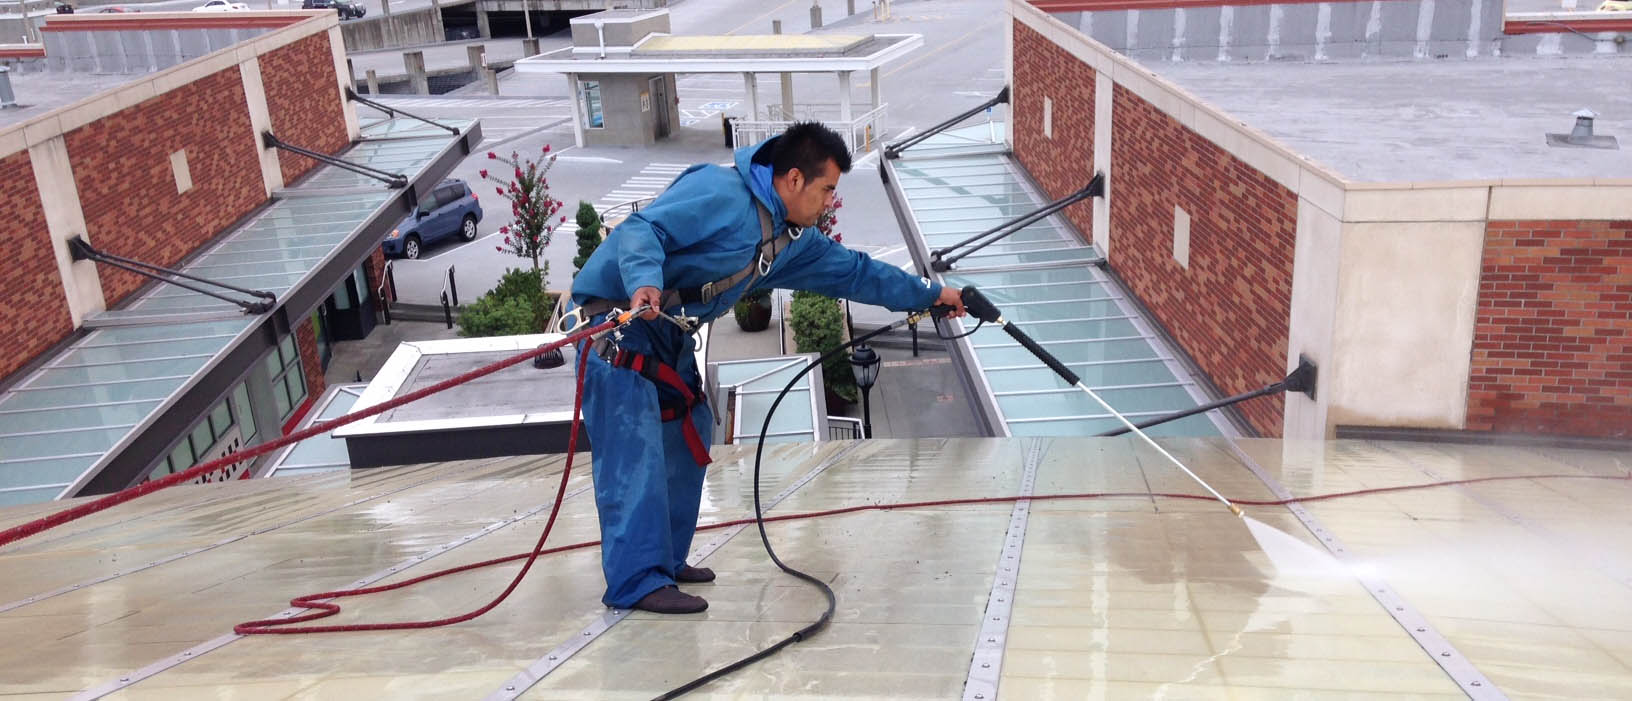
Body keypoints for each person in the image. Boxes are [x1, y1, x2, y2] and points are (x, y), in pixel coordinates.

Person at [567, 122, 965, 614]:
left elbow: (857, 273)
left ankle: (663, 563)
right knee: (636, 449)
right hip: (618, 323)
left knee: (689, 429)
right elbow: (641, 228)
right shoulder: (720, 193)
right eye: (826, 190)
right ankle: (636, 582)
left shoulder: (791, 240)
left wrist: (933, 295)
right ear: (794, 179)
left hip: (664, 332)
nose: (828, 204)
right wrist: (644, 280)